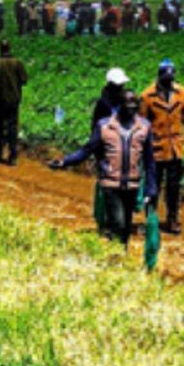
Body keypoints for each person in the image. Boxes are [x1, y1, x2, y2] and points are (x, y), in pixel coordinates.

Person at [49, 90, 157, 248]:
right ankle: (116, 254)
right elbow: (87, 150)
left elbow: (149, 160)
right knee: (118, 223)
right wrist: (65, 161)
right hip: (110, 183)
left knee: (126, 227)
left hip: (132, 185)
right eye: (128, 105)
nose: (131, 109)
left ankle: (120, 255)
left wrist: (151, 188)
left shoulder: (144, 128)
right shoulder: (104, 126)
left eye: (135, 105)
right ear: (120, 106)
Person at [140, 59, 184, 233]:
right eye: (166, 78)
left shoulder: (181, 93)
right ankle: (151, 218)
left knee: (173, 187)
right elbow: (142, 121)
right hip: (156, 147)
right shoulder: (147, 96)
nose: (169, 81)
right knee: (154, 186)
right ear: (159, 76)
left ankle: (172, 218)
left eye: (171, 78)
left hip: (174, 148)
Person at [0, 40, 28, 165]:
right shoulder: (17, 63)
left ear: (0, 49)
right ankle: (13, 155)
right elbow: (24, 79)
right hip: (14, 99)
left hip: (0, 99)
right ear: (9, 48)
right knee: (13, 126)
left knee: (0, 126)